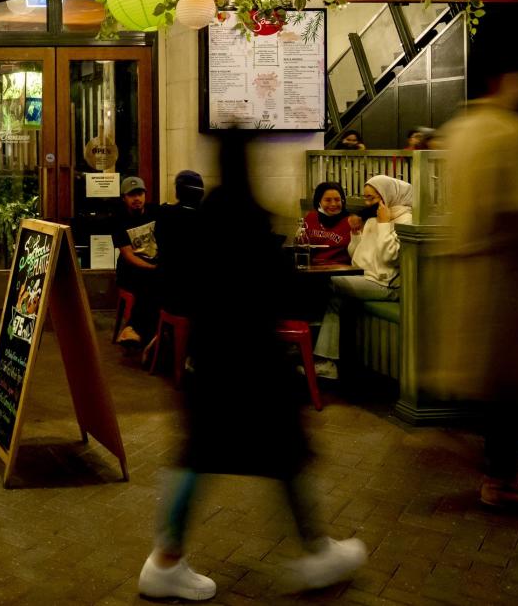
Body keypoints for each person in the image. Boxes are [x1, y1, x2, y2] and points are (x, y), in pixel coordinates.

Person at [137, 133, 367, 601]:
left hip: (212, 363)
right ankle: (316, 550)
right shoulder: (252, 223)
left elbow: (183, 284)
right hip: (256, 366)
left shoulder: (202, 224)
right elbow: (280, 291)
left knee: (197, 457)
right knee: (287, 457)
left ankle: (166, 558)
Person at [427, 59, 518, 512]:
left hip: (466, 275)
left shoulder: (461, 130)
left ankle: (483, 459)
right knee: (514, 384)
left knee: (490, 380)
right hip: (506, 278)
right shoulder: (512, 133)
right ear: (510, 77)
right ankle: (501, 480)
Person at [312, 176, 413, 379]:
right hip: (367, 278)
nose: (367, 204)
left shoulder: (404, 220)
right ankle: (326, 362)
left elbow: (390, 257)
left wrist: (385, 224)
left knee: (327, 283)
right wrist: (356, 233)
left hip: (387, 285)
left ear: (387, 196)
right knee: (335, 300)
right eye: (365, 198)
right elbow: (355, 255)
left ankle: (314, 350)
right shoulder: (374, 218)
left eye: (372, 198)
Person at [113, 176, 160, 346]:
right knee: (149, 281)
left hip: (154, 266)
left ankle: (138, 330)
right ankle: (141, 330)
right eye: (132, 195)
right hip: (130, 270)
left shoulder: (156, 212)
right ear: (124, 198)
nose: (137, 199)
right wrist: (152, 267)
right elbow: (128, 255)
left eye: (140, 193)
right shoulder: (119, 220)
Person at [155, 171, 205, 318]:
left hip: (169, 294)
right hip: (199, 299)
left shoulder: (165, 214)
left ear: (177, 192)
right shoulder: (209, 220)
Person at [303, 182, 352, 267]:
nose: (333, 204)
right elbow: (302, 246)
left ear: (342, 201)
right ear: (319, 202)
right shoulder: (310, 217)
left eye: (337, 200)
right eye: (328, 200)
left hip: (339, 270)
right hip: (311, 268)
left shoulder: (350, 221)